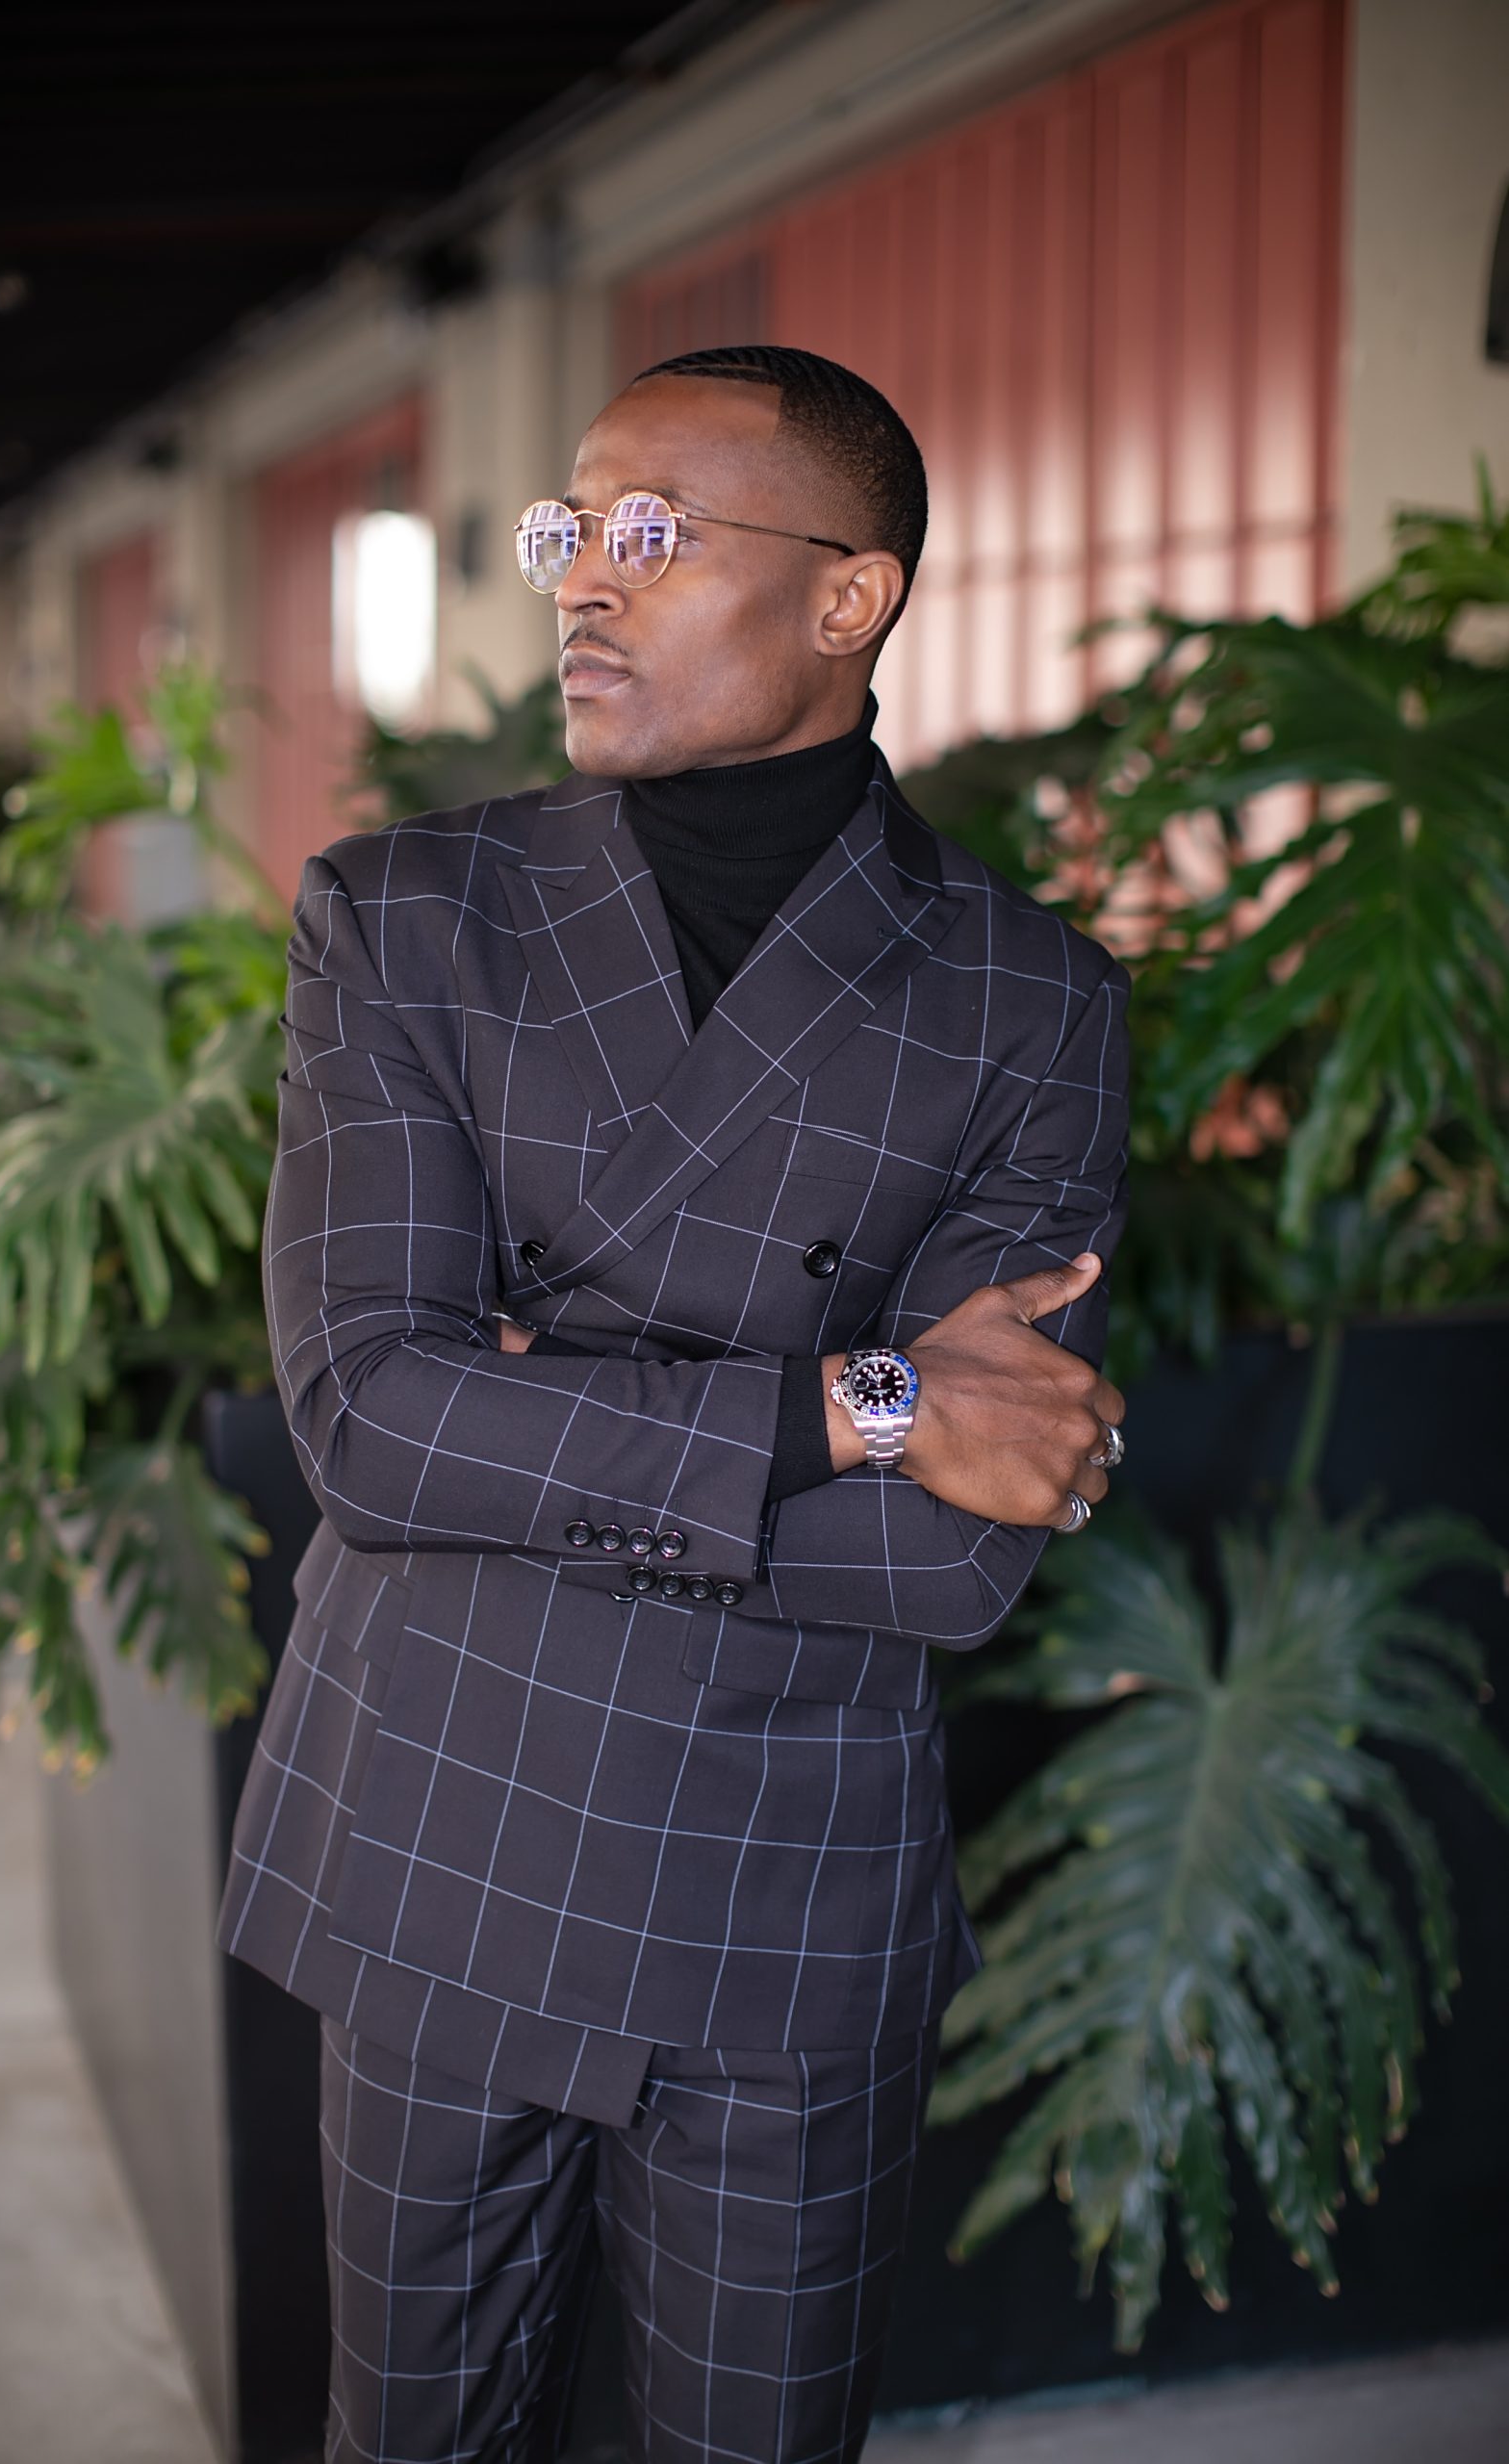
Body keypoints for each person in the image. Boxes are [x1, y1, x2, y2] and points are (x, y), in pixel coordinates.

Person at [218, 344, 1130, 2464]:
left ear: (848, 596)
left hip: (781, 1883)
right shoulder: (410, 914)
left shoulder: (1025, 998)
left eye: (653, 532)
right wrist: (869, 1396)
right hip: (450, 1828)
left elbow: (953, 1546)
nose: (580, 580)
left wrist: (546, 1400)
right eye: (571, 526)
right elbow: (370, 1418)